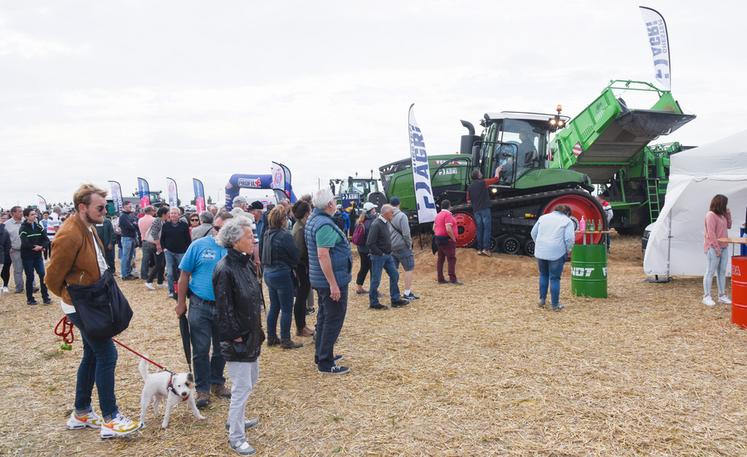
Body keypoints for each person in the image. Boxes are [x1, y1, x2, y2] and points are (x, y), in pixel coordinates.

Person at [46, 184, 142, 438]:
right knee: (107, 355)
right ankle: (110, 418)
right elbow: (52, 278)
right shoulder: (69, 234)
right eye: (100, 207)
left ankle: (81, 413)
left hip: (91, 302)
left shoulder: (87, 227)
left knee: (92, 354)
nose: (104, 211)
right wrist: (73, 300)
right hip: (81, 305)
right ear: (82, 207)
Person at [213, 216, 265, 456]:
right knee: (241, 387)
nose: (253, 239)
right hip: (239, 340)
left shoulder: (244, 264)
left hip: (251, 335)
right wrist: (236, 337)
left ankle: (237, 420)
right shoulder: (225, 268)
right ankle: (236, 436)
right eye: (248, 236)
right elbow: (224, 309)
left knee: (249, 383)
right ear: (235, 241)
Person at [175, 212, 232, 408]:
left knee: (222, 348)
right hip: (200, 305)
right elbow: (184, 276)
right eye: (215, 228)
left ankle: (217, 382)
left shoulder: (234, 249)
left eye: (222, 230)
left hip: (225, 308)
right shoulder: (198, 246)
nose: (218, 233)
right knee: (200, 349)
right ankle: (202, 389)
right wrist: (181, 303)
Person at [304, 188, 353, 375]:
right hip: (330, 280)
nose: (336, 203)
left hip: (321, 278)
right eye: (334, 200)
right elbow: (323, 255)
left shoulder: (314, 219)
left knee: (325, 317)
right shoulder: (324, 224)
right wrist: (333, 284)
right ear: (329, 205)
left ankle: (323, 353)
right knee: (333, 319)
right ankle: (325, 362)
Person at [262, 206, 303, 349]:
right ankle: (286, 339)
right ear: (282, 220)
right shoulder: (284, 235)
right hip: (281, 273)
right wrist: (292, 264)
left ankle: (271, 337)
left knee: (274, 306)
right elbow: (295, 254)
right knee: (286, 308)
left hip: (268, 272)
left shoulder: (267, 233)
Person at [530, 204, 574, 311]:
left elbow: (533, 233)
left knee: (543, 275)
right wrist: (569, 251)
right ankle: (555, 305)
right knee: (555, 278)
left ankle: (542, 300)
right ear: (567, 213)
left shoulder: (543, 217)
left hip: (541, 251)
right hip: (557, 252)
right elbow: (569, 239)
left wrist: (539, 244)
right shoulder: (567, 221)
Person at [365, 204, 409, 309]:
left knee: (395, 275)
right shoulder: (377, 224)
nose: (393, 214)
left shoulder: (384, 222)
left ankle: (395, 299)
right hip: (379, 256)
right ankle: (374, 302)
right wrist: (381, 253)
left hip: (387, 255)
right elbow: (370, 242)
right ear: (385, 213)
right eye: (391, 212)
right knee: (376, 279)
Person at [703, 194, 732, 307]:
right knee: (710, 271)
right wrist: (716, 248)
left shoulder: (722, 215)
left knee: (722, 271)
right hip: (713, 247)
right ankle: (706, 296)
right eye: (725, 204)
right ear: (720, 204)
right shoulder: (710, 215)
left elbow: (729, 226)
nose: (726, 206)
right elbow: (711, 233)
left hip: (724, 247)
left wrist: (728, 214)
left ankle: (722, 295)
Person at [291, 200, 315, 338]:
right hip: (301, 268)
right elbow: (300, 253)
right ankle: (300, 327)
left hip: (302, 267)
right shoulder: (300, 229)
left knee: (302, 297)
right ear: (307, 212)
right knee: (301, 298)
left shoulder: (300, 226)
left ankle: (302, 326)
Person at [19, 207, 51, 305]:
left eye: (35, 214)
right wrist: (35, 247)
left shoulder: (39, 226)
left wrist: (41, 246)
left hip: (37, 256)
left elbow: (46, 239)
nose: (35, 216)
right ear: (26, 216)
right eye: (32, 214)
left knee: (42, 274)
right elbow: (24, 242)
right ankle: (30, 299)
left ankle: (45, 297)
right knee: (30, 277)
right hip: (27, 256)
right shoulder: (23, 228)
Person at [389, 197, 419, 300]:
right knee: (408, 268)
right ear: (399, 204)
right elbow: (406, 233)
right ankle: (407, 292)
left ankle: (394, 293)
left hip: (391, 246)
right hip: (402, 246)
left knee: (394, 270)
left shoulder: (387, 215)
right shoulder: (402, 216)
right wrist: (409, 245)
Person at [467, 168, 500, 256]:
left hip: (476, 210)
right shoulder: (483, 182)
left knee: (479, 229)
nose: (481, 173)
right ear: (478, 175)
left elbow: (468, 201)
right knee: (487, 229)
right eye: (480, 172)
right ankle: (486, 249)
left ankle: (479, 249)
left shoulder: (470, 187)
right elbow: (496, 179)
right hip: (485, 209)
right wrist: (497, 170)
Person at [161, 207, 191, 298]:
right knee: (170, 273)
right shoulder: (166, 225)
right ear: (169, 214)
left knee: (183, 272)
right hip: (169, 251)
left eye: (175, 213)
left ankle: (185, 290)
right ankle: (171, 291)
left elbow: (188, 239)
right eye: (172, 213)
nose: (173, 215)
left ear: (179, 214)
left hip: (181, 252)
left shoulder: (184, 225)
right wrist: (164, 248)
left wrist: (187, 250)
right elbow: (162, 238)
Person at [433, 200, 461, 285]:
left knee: (440, 259)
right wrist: (453, 238)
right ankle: (452, 279)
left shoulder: (438, 215)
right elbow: (448, 228)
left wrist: (438, 234)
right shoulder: (448, 214)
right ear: (449, 206)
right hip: (447, 240)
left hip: (439, 239)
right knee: (451, 259)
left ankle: (440, 278)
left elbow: (434, 227)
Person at [353, 202, 377, 295]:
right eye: (374, 209)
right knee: (373, 269)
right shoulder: (372, 222)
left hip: (361, 249)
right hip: (369, 250)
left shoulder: (360, 221)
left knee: (364, 267)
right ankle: (373, 290)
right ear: (371, 211)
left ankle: (359, 287)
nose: (375, 210)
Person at [145, 206, 169, 290]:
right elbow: (154, 233)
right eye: (168, 213)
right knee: (159, 264)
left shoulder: (162, 221)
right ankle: (149, 281)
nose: (169, 214)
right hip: (155, 245)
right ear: (164, 214)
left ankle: (160, 282)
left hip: (158, 245)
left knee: (162, 264)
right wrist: (158, 245)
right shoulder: (158, 220)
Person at [6, 206, 25, 293]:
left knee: (30, 269)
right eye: (20, 211)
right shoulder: (7, 224)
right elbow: (5, 238)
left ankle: (32, 286)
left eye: (22, 211)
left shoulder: (26, 221)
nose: (22, 213)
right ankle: (19, 287)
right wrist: (9, 248)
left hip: (28, 250)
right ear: (13, 213)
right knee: (18, 270)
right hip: (15, 250)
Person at [118, 201, 138, 280]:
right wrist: (134, 225)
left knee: (129, 257)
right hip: (127, 238)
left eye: (131, 205)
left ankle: (128, 273)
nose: (131, 206)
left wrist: (134, 224)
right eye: (129, 205)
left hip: (131, 238)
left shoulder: (129, 215)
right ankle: (124, 275)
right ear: (124, 206)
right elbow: (131, 226)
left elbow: (135, 225)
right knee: (126, 257)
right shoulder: (123, 216)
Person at [138, 206, 156, 280]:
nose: (154, 212)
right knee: (155, 259)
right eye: (153, 210)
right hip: (153, 241)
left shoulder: (140, 220)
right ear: (151, 211)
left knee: (145, 259)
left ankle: (144, 275)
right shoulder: (154, 220)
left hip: (144, 241)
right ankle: (155, 274)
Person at [0, 217, 10, 293]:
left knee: (5, 271)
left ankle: (5, 285)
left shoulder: (4, 231)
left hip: (2, 255)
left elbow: (7, 245)